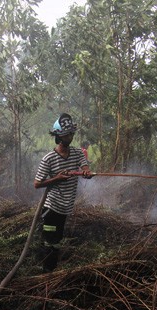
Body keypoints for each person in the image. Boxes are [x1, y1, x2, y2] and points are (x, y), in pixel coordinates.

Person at [33, 113, 93, 273]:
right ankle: (47, 274)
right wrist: (57, 178)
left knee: (56, 241)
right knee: (50, 242)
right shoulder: (49, 158)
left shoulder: (77, 153)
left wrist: (86, 172)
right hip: (52, 209)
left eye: (72, 133)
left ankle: (49, 269)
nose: (71, 136)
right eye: (67, 134)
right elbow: (37, 183)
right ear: (59, 136)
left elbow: (84, 167)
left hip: (65, 208)